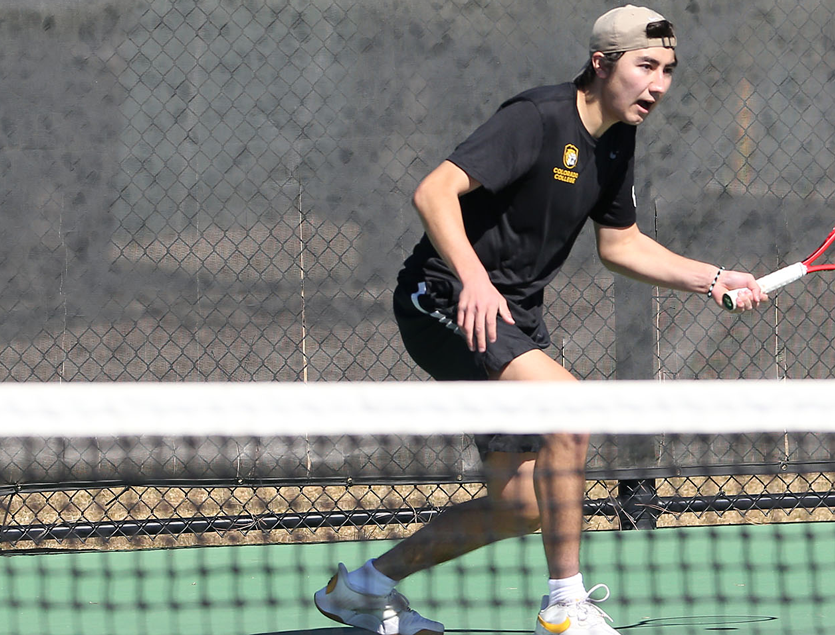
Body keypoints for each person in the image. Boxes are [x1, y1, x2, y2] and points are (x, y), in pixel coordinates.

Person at [313, 5, 767, 635]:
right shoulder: (536, 118)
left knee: (523, 504)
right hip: (442, 298)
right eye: (645, 66)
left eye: (667, 69)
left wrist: (712, 278)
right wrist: (472, 277)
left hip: (513, 316)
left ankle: (364, 587)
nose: (659, 84)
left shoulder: (616, 141)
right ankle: (566, 603)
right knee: (570, 408)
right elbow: (433, 192)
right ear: (601, 63)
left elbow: (621, 245)